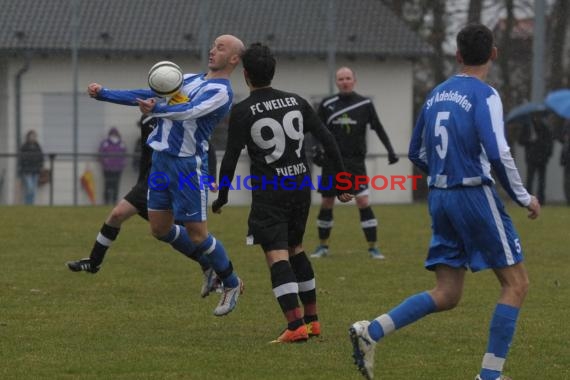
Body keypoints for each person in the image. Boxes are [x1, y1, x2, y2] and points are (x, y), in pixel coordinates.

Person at [349, 24, 541, 380]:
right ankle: (490, 376)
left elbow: (417, 151)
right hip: (472, 194)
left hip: (440, 196)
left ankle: (370, 331)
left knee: (448, 292)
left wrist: (442, 173)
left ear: (458, 55)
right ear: (494, 54)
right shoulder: (486, 95)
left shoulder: (437, 94)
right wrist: (523, 196)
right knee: (516, 284)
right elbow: (498, 151)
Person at [83, 34, 246, 316]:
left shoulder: (221, 92)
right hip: (160, 162)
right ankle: (209, 267)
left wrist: (158, 108)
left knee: (198, 234)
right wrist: (105, 93)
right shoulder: (193, 79)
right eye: (213, 45)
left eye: (220, 48)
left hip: (186, 167)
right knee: (160, 228)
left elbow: (188, 111)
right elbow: (150, 95)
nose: (212, 50)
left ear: (233, 59)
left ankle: (231, 283)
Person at [212, 43, 352, 343]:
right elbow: (328, 139)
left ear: (246, 74)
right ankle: (312, 322)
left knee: (277, 256)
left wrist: (222, 195)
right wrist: (342, 181)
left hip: (270, 193)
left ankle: (295, 326)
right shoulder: (297, 101)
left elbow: (231, 157)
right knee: (296, 248)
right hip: (300, 187)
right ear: (273, 71)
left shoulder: (241, 111)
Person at [66, 116, 221, 298]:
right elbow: (147, 156)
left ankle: (218, 272)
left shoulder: (182, 114)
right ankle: (94, 262)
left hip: (173, 182)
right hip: (148, 183)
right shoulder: (147, 119)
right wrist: (141, 184)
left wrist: (210, 177)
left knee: (186, 234)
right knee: (117, 214)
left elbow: (207, 146)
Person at [311, 66, 399, 260]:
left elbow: (378, 128)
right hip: (332, 163)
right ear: (336, 82)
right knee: (327, 202)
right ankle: (322, 247)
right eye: (341, 78)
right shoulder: (327, 104)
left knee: (363, 201)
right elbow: (316, 130)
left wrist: (390, 150)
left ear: (354, 81)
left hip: (355, 162)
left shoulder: (365, 104)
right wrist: (316, 149)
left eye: (348, 78)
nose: (344, 81)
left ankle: (373, 248)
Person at [518, 113, 553, 204]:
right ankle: (528, 199)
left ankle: (541, 199)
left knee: (541, 180)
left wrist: (547, 154)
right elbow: (520, 140)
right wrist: (529, 140)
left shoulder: (545, 127)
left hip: (542, 157)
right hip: (531, 157)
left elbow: (549, 141)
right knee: (530, 179)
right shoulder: (528, 126)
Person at [99, 127, 128, 205]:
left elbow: (125, 155)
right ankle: (106, 201)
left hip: (118, 169)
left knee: (116, 185)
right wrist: (105, 163)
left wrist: (122, 164)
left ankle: (114, 200)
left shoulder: (121, 144)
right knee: (107, 184)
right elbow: (101, 154)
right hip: (107, 169)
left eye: (115, 134)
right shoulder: (105, 143)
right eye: (112, 134)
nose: (114, 136)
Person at [18, 130, 45, 205]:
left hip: (36, 171)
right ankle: (28, 204)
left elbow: (41, 157)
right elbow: (21, 158)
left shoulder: (37, 146)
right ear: (28, 137)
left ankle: (31, 205)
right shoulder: (24, 147)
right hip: (27, 171)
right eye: (31, 136)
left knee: (33, 190)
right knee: (29, 188)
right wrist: (23, 167)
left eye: (34, 136)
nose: (33, 138)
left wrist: (41, 166)